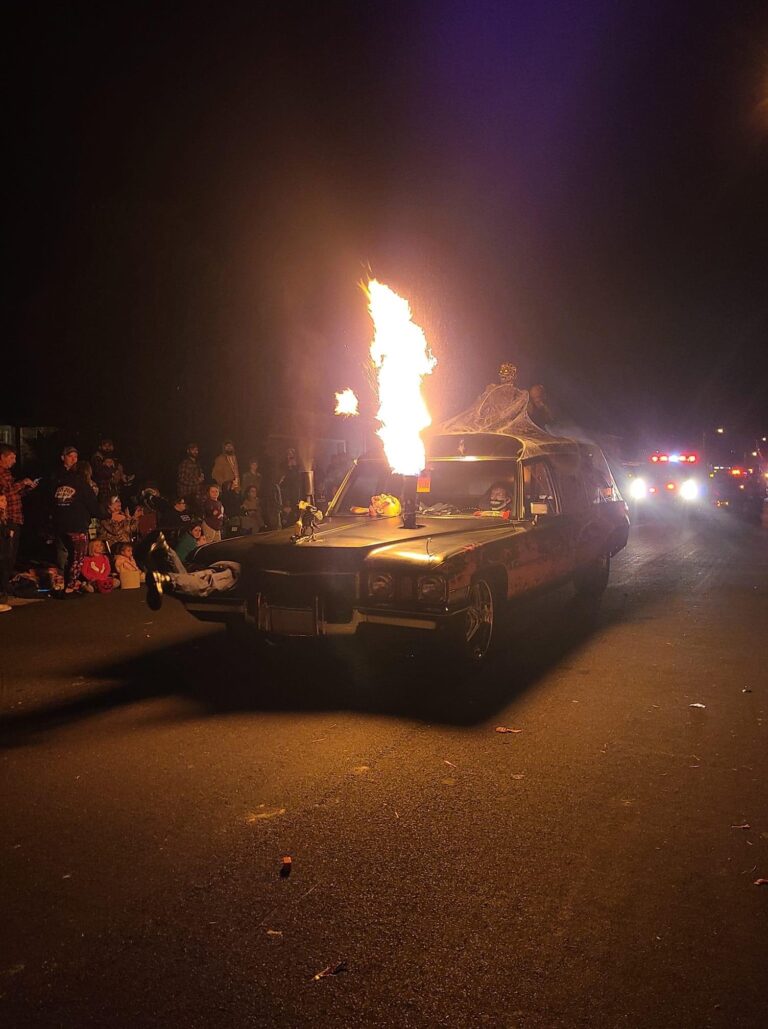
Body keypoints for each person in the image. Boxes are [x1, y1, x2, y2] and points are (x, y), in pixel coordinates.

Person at [141, 532, 240, 611]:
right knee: (206, 585)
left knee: (189, 579)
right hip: (234, 571)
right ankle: (166, 579)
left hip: (216, 566)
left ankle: (167, 551)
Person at [52, 446, 104, 593]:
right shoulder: (82, 485)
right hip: (77, 525)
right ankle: (70, 586)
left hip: (61, 524)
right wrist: (106, 514)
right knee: (77, 557)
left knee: (65, 553)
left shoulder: (60, 482)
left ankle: (62, 583)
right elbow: (94, 507)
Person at [0, 442, 40, 578]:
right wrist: (22, 483)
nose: (14, 461)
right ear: (2, 457)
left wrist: (27, 489)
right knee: (6, 555)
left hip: (16, 517)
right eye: (11, 458)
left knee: (11, 554)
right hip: (6, 518)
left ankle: (5, 585)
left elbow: (15, 495)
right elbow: (6, 492)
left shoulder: (7, 473)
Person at [212, 439, 240, 514]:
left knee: (235, 508)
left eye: (230, 446)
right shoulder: (220, 459)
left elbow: (236, 472)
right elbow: (215, 474)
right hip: (226, 489)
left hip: (235, 487)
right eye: (227, 446)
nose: (229, 448)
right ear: (224, 448)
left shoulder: (234, 458)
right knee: (226, 508)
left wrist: (237, 486)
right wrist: (224, 483)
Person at [176, 443, 205, 508]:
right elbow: (182, 479)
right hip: (187, 494)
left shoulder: (197, 463)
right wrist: (197, 480)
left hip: (197, 494)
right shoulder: (185, 463)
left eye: (196, 450)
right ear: (188, 451)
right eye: (193, 450)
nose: (195, 452)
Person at [0, 493, 12, 612]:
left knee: (4, 571)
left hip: (4, 549)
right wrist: (8, 533)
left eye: (5, 500)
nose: (5, 502)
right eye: (2, 500)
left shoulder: (4, 515)